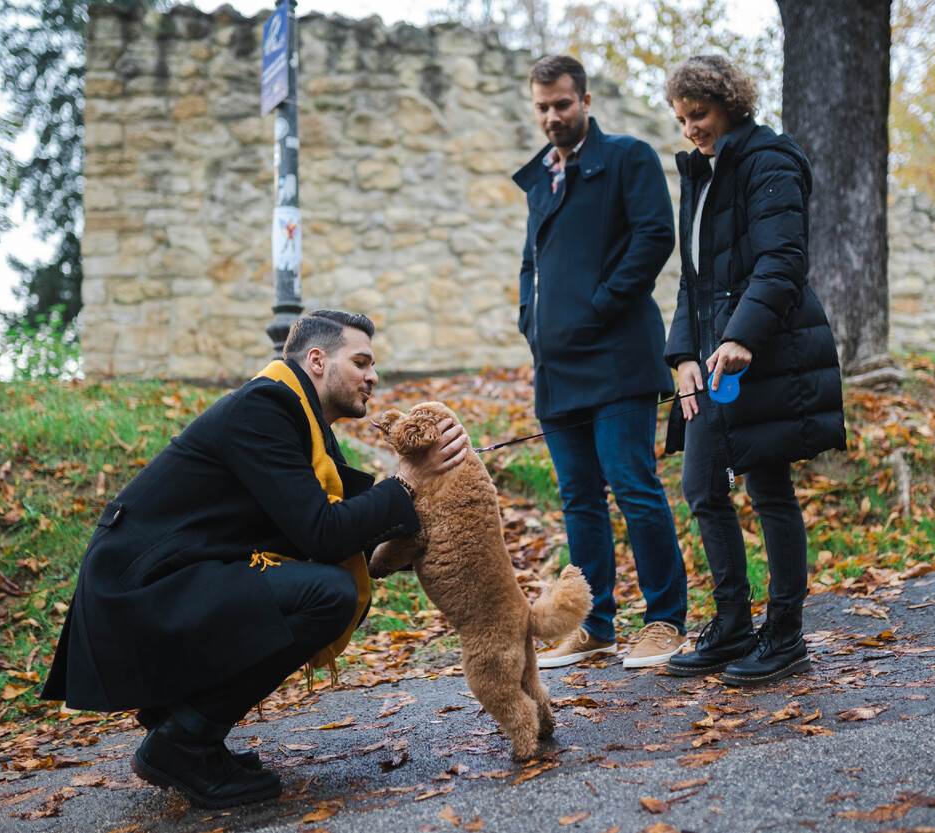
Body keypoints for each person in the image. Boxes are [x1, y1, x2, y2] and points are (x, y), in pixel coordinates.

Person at [41, 310, 467, 808]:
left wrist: (413, 506)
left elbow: (317, 527)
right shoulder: (265, 408)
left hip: (179, 577)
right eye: (361, 361)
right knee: (327, 594)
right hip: (139, 589)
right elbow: (322, 534)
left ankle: (189, 726)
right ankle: (182, 742)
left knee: (319, 586)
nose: (373, 376)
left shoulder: (298, 417)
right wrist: (406, 482)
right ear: (316, 360)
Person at [659, 56, 846, 685]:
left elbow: (782, 264)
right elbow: (694, 276)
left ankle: (786, 633)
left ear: (731, 103)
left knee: (768, 490)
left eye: (700, 115)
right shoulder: (704, 171)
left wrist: (740, 336)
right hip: (711, 355)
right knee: (702, 486)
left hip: (764, 352)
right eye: (681, 118)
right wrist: (683, 355)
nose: (690, 129)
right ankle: (733, 622)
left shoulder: (771, 160)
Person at [512, 55, 688, 670]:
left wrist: (599, 305)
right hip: (556, 367)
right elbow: (532, 262)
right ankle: (597, 625)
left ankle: (666, 621)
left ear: (584, 99)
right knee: (579, 498)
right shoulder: (541, 178)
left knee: (633, 485)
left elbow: (654, 237)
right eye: (542, 107)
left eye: (562, 103)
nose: (553, 116)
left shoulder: (627, 157)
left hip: (617, 355)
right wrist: (528, 319)